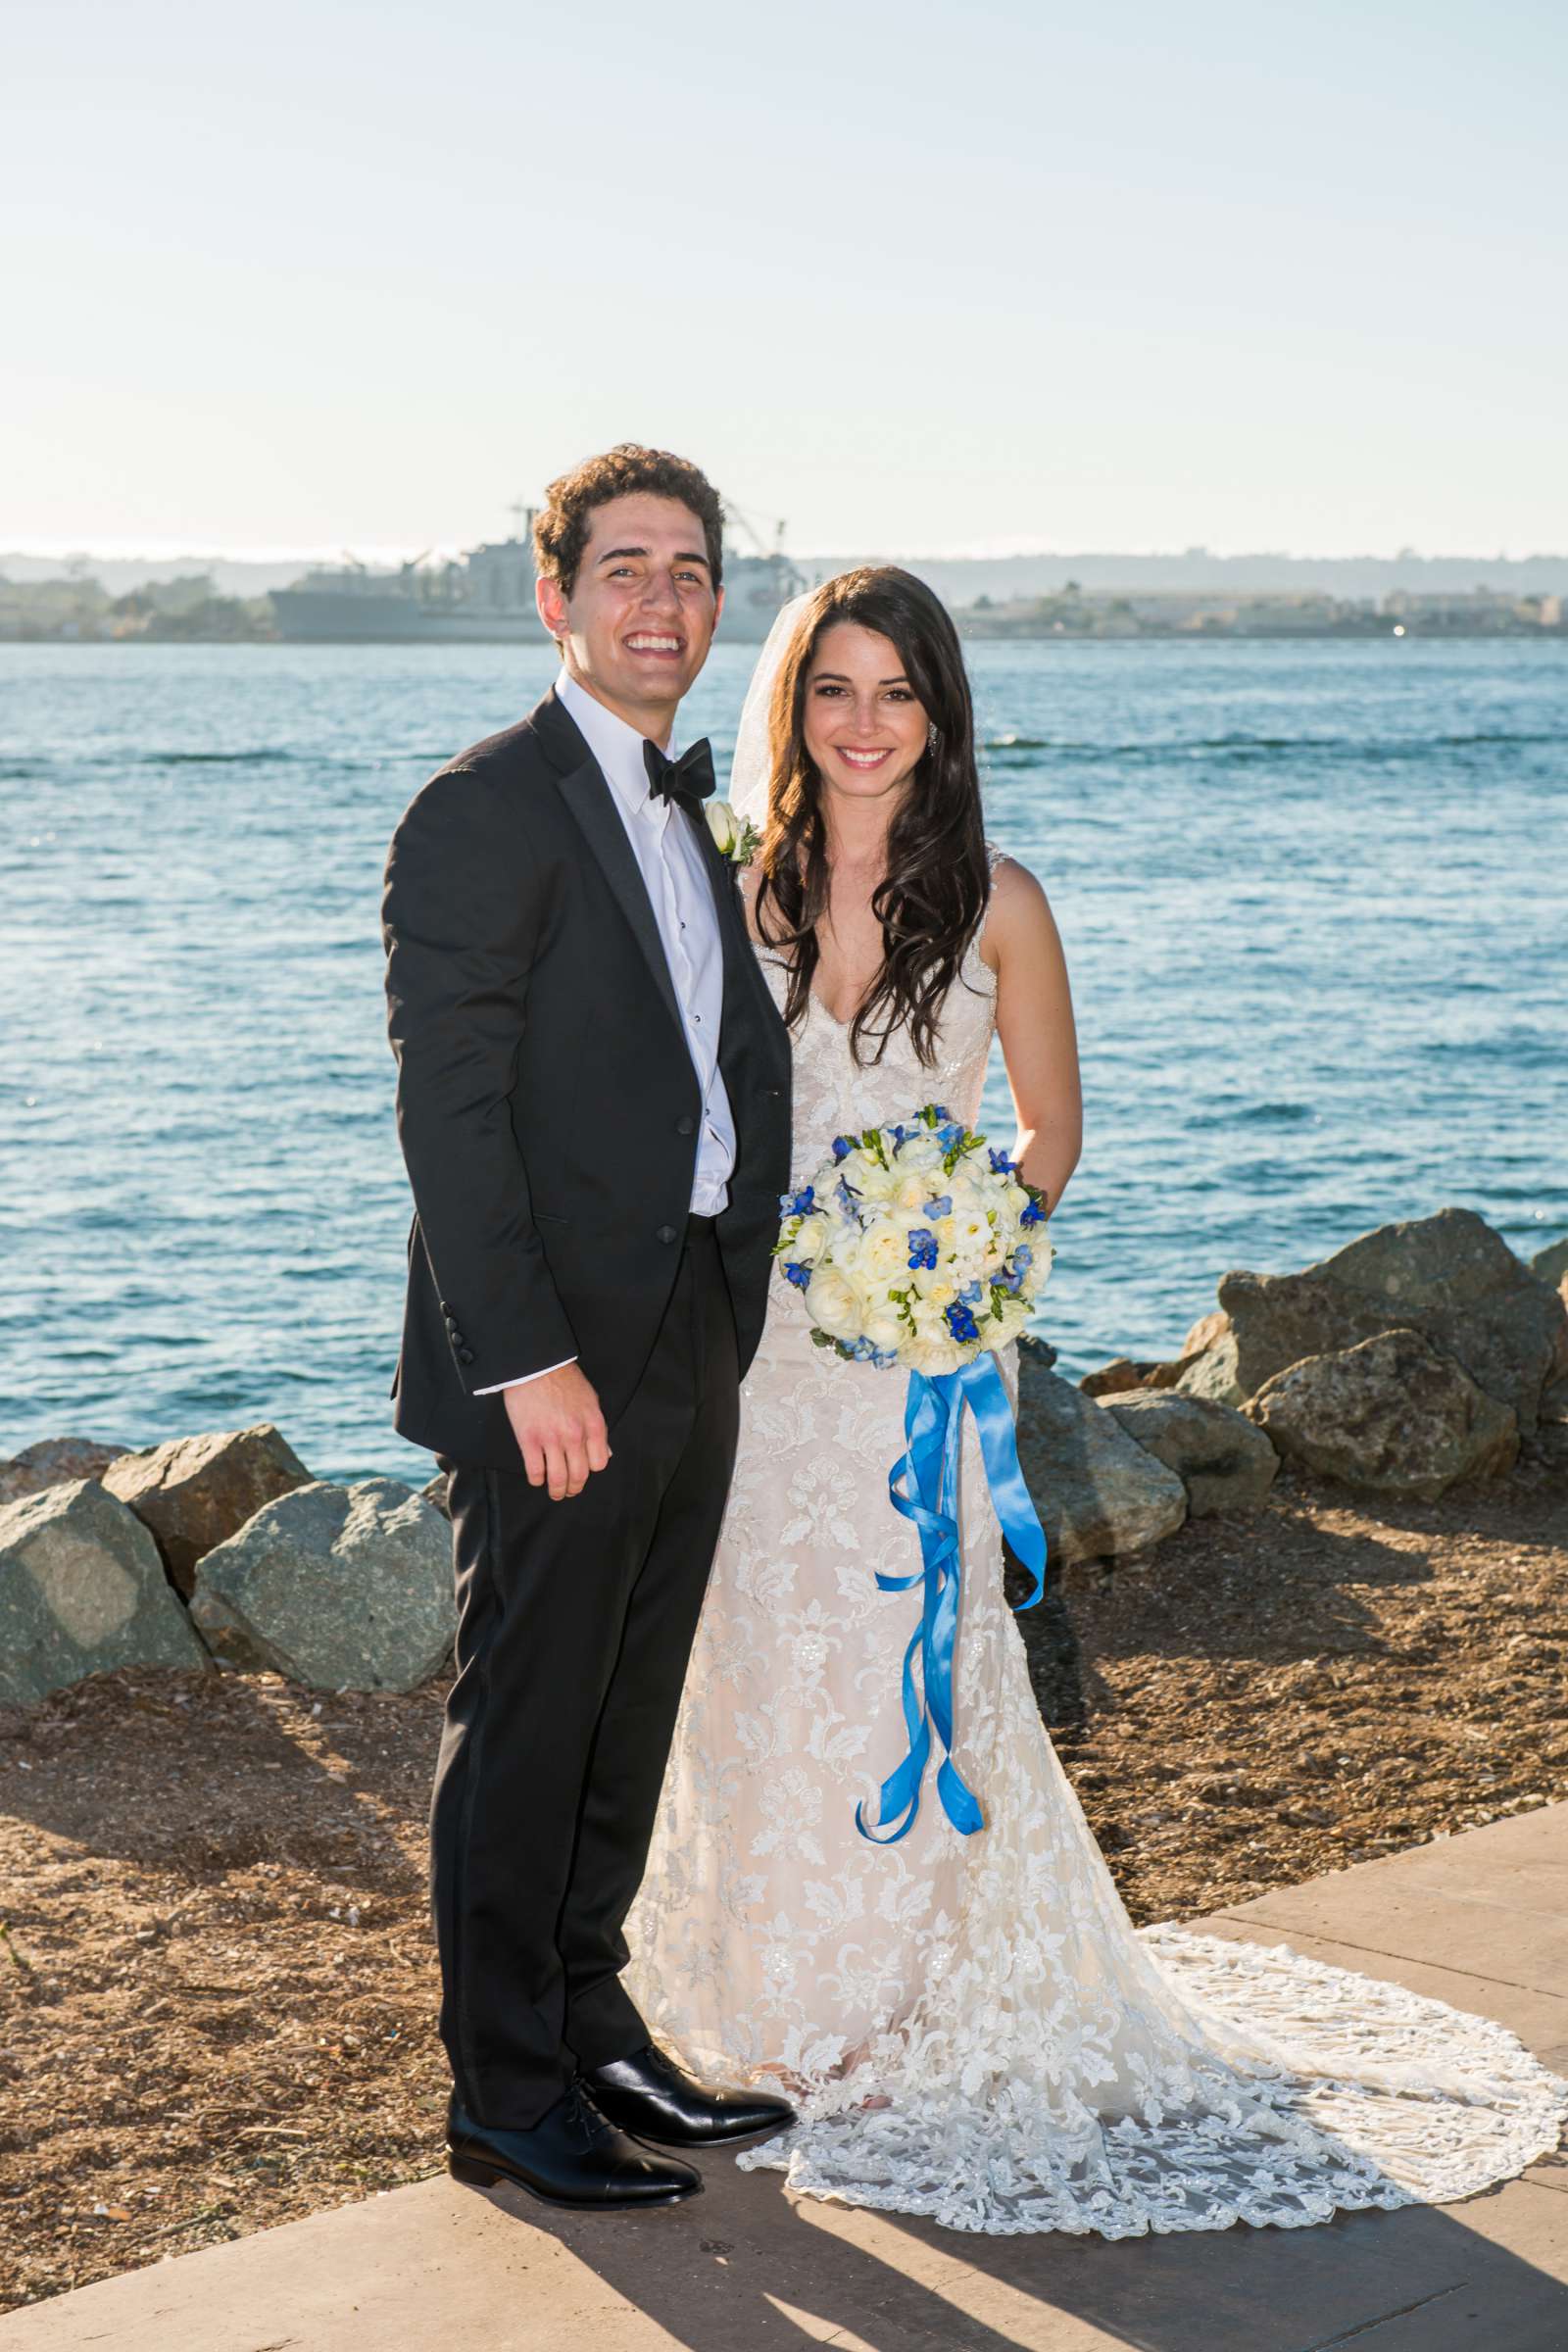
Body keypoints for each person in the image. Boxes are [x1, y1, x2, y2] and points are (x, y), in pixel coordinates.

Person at [625, 565, 1568, 2235]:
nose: (862, 724)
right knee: (757, 1644)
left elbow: (1049, 1133)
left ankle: (911, 2004)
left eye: (895, 693)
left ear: (941, 713)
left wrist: (962, 1263)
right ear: (793, 709)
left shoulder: (998, 900)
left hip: (916, 1357)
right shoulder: (736, 896)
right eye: (832, 690)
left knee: (913, 1634)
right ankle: (764, 2002)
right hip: (755, 1347)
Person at [381, 444, 795, 2212]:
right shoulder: (482, 807)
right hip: (553, 1359)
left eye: (690, 570)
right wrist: (525, 1360)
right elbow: (450, 1117)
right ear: (553, 597)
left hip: (692, 1319)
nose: (661, 601)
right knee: (529, 1719)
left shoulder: (694, 804)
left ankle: (599, 2022)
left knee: (629, 1710)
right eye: (623, 569)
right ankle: (507, 2094)